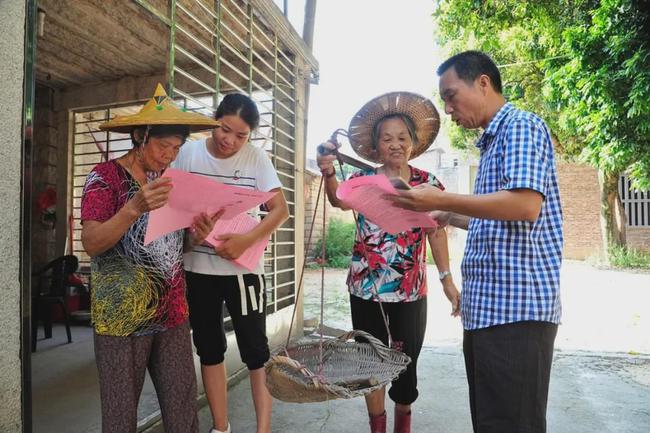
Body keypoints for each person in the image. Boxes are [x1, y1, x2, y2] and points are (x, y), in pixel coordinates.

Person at [387, 51, 564, 433]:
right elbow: (500, 219)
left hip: (517, 312)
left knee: (512, 424)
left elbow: (525, 205)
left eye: (451, 95)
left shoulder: (520, 126)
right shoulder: (492, 142)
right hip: (489, 310)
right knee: (491, 421)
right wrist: (449, 217)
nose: (448, 109)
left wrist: (441, 199)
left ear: (483, 82)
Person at [317, 92, 461, 433]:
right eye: (387, 139)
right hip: (366, 290)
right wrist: (327, 172)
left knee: (406, 366)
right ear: (376, 146)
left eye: (402, 137)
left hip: (411, 292)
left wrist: (446, 279)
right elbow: (338, 202)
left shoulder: (428, 185)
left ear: (413, 143)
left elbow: (437, 233)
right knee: (371, 363)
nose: (395, 144)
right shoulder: (362, 181)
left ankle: (403, 427)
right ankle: (377, 428)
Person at [81, 83, 221, 433]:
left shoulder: (170, 182)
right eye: (162, 146)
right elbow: (92, 242)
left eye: (176, 148)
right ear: (139, 137)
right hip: (121, 317)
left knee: (183, 410)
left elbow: (172, 247)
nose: (169, 156)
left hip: (172, 312)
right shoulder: (104, 178)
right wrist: (133, 207)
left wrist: (195, 237)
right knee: (120, 416)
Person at [172, 93, 289, 433]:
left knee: (256, 351)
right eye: (225, 130)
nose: (230, 141)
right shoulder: (187, 154)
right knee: (209, 350)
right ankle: (221, 428)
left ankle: (262, 429)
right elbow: (175, 208)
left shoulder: (256, 159)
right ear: (214, 120)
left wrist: (245, 241)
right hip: (198, 269)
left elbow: (280, 211)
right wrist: (191, 236)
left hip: (243, 271)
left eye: (241, 136)